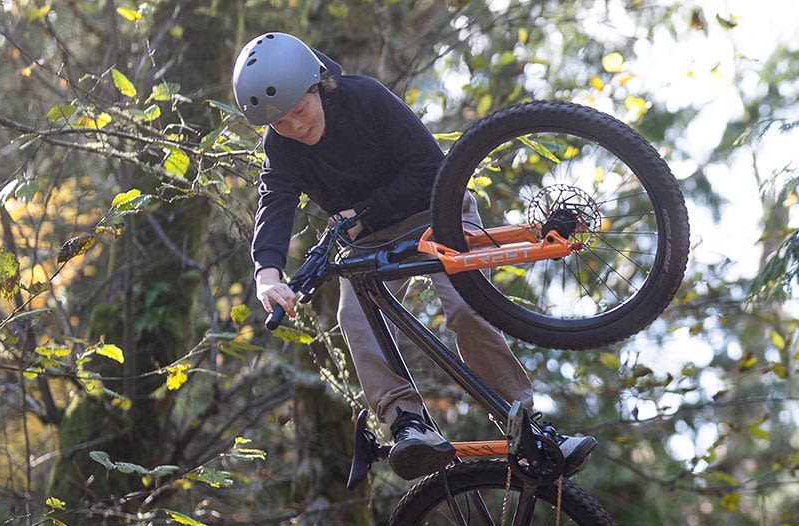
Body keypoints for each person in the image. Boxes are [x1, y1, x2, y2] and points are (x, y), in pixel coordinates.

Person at [234, 31, 592, 479]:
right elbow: (275, 201)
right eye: (280, 123)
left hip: (435, 210)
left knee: (465, 307)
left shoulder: (364, 99)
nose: (295, 127)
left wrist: (366, 212)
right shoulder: (281, 146)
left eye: (300, 112)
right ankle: (407, 423)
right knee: (355, 317)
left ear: (318, 85)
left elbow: (431, 169)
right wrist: (267, 271)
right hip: (368, 239)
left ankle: (523, 419)